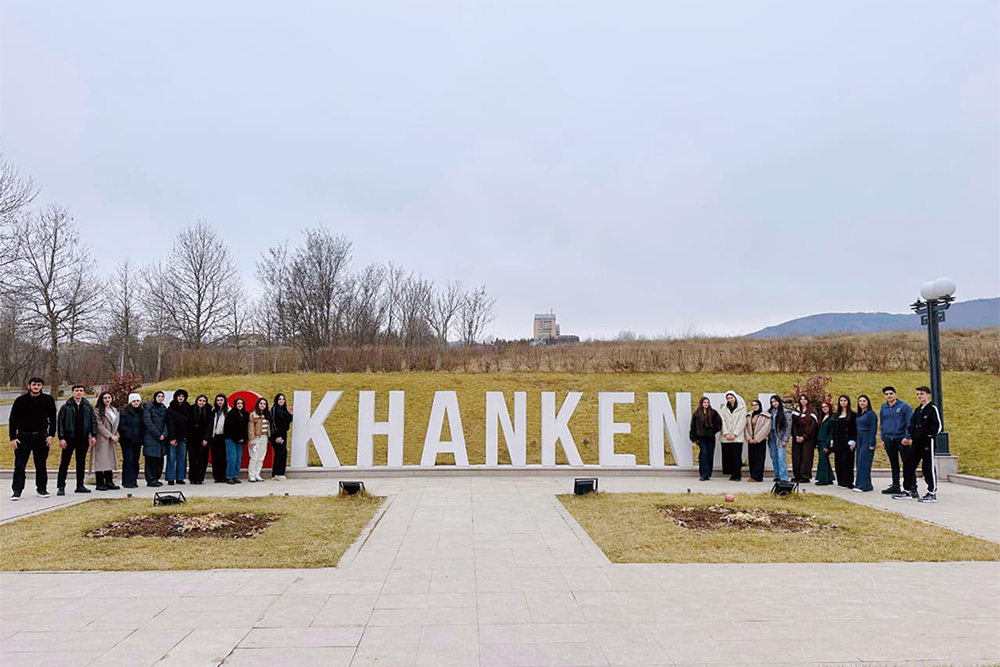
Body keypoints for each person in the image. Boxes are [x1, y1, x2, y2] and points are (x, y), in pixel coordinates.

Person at [8, 376, 56, 500]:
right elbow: (13, 419)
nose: (36, 387)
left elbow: (53, 419)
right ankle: (17, 490)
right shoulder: (20, 400)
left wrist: (51, 435)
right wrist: (13, 437)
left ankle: (42, 489)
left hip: (41, 436)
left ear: (42, 386)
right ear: (29, 386)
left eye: (38, 385)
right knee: (20, 465)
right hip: (23, 436)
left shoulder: (48, 400)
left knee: (41, 464)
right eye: (34, 384)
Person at [894, 386, 941, 503]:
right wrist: (913, 435)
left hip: (927, 443)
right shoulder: (918, 410)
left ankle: (932, 493)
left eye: (922, 394)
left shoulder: (932, 409)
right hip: (916, 443)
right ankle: (907, 490)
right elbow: (912, 424)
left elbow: (938, 426)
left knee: (928, 467)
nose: (919, 396)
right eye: (918, 394)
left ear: (928, 395)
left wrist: (927, 435)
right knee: (909, 464)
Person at [56, 385, 98, 495]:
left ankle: (80, 485)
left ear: (83, 393)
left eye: (81, 391)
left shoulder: (88, 407)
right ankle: (61, 486)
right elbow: (60, 423)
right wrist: (61, 438)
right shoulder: (66, 407)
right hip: (69, 438)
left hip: (83, 438)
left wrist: (94, 435)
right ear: (72, 392)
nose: (79, 392)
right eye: (76, 391)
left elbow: (93, 421)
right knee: (65, 462)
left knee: (81, 462)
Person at [879, 386, 913, 495]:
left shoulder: (904, 407)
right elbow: (882, 424)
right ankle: (895, 486)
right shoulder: (883, 407)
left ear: (895, 394)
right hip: (889, 439)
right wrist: (883, 439)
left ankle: (912, 487)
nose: (889, 396)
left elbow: (909, 423)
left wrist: (907, 437)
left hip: (901, 439)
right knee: (894, 464)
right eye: (886, 394)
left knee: (907, 463)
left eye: (891, 393)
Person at [92, 391, 120, 491]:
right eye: (105, 398)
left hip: (113, 437)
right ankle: (99, 483)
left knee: (110, 460)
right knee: (101, 460)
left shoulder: (114, 410)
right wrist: (110, 435)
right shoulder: (97, 411)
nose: (107, 400)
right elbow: (99, 426)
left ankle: (109, 481)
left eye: (109, 397)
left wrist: (117, 435)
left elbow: (117, 424)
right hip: (102, 438)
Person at [831, 394, 857, 489]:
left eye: (844, 400)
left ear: (848, 402)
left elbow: (854, 429)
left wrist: (853, 441)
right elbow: (834, 429)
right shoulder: (836, 415)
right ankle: (840, 481)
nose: (843, 402)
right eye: (841, 400)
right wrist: (832, 440)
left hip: (848, 442)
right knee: (838, 461)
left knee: (847, 462)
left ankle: (848, 482)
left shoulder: (853, 415)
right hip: (838, 441)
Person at [718, 392, 745, 481]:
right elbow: (722, 421)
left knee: (736, 457)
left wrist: (735, 434)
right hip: (726, 437)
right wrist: (726, 433)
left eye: (731, 397)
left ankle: (737, 475)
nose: (730, 399)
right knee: (728, 457)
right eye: (728, 398)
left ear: (735, 398)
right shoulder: (724, 409)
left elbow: (742, 422)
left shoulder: (742, 408)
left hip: (737, 437)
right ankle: (732, 474)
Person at [164, 389, 190, 485]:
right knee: (171, 457)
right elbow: (170, 424)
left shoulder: (187, 407)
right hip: (173, 437)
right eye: (179, 396)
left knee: (182, 458)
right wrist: (172, 438)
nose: (181, 398)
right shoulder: (171, 409)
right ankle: (170, 478)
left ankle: (180, 478)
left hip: (183, 437)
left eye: (183, 396)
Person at [118, 393, 144, 488]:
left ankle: (134, 480)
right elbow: (122, 426)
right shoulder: (124, 412)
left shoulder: (142, 412)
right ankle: (127, 481)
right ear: (130, 402)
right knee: (128, 460)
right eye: (134, 401)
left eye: (137, 401)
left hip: (138, 441)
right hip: (127, 441)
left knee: (135, 460)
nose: (136, 403)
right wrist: (129, 435)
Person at [791, 395, 818, 483]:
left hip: (808, 439)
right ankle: (797, 475)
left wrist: (804, 436)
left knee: (806, 457)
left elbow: (813, 426)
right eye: (801, 399)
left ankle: (805, 476)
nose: (803, 401)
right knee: (796, 456)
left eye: (805, 399)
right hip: (797, 438)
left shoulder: (812, 412)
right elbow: (793, 425)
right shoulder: (796, 412)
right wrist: (796, 435)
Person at [853, 395, 878, 492]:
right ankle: (864, 484)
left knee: (864, 462)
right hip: (859, 438)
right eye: (860, 401)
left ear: (868, 402)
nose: (862, 403)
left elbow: (873, 429)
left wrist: (872, 443)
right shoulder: (860, 414)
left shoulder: (871, 414)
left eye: (864, 401)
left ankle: (863, 486)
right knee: (859, 462)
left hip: (867, 438)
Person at [143, 391, 167, 487]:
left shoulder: (163, 408)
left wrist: (164, 434)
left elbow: (166, 422)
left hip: (161, 438)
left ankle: (156, 478)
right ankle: (151, 479)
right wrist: (157, 434)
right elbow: (147, 421)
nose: (160, 398)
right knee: (151, 460)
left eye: (162, 396)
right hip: (151, 437)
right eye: (158, 396)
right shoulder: (148, 407)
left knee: (159, 460)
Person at [223, 397, 249, 484]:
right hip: (231, 439)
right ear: (235, 404)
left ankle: (235, 476)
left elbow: (246, 428)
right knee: (232, 459)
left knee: (238, 460)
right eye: (238, 403)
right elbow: (228, 428)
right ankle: (229, 476)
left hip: (241, 440)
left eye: (241, 403)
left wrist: (244, 438)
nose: (240, 405)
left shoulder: (246, 414)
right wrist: (237, 438)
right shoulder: (231, 414)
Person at [187, 394, 212, 485]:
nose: (201, 402)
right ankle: (192, 478)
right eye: (200, 400)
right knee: (192, 458)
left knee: (202, 459)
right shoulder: (191, 409)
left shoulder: (209, 411)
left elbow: (210, 426)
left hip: (203, 438)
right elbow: (187, 424)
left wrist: (206, 438)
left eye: (204, 401)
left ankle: (200, 478)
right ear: (197, 401)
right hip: (192, 438)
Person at [744, 399, 770, 483]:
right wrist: (749, 438)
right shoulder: (748, 416)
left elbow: (766, 428)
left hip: (760, 441)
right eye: (753, 405)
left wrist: (757, 439)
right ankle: (752, 476)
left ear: (759, 406)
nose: (754, 406)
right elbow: (745, 428)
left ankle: (758, 476)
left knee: (759, 458)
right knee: (752, 458)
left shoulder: (765, 416)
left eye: (756, 405)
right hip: (751, 440)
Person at [767, 395, 792, 483]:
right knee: (774, 457)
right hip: (772, 436)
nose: (774, 403)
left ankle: (784, 477)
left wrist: (785, 439)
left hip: (780, 437)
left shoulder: (785, 412)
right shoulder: (771, 412)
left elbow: (788, 427)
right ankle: (777, 475)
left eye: (775, 401)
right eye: (772, 402)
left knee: (781, 457)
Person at [247, 397, 271, 482]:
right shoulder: (253, 415)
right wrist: (251, 440)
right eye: (261, 403)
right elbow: (250, 428)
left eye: (264, 404)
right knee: (254, 457)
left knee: (261, 457)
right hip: (256, 438)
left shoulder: (267, 415)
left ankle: (257, 474)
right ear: (258, 404)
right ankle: (251, 475)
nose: (262, 405)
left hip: (264, 438)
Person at [270, 393, 292, 480]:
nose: (281, 400)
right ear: (276, 400)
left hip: (283, 434)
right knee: (281, 452)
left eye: (283, 399)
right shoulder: (274, 409)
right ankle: (279, 473)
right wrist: (277, 435)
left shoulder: (283, 410)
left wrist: (291, 414)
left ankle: (275, 474)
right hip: (277, 435)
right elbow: (273, 423)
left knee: (281, 453)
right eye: (279, 399)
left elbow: (287, 420)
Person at [814, 401, 836, 486]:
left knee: (822, 460)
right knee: (825, 459)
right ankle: (829, 478)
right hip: (820, 441)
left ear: (829, 407)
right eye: (823, 407)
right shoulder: (822, 417)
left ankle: (822, 479)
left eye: (826, 406)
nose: (824, 408)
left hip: (825, 442)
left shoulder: (832, 418)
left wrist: (827, 445)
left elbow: (831, 433)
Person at [209, 394, 228, 483]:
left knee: (223, 457)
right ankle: (216, 477)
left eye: (221, 400)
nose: (220, 402)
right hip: (214, 436)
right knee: (215, 457)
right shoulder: (213, 411)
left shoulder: (228, 410)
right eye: (218, 400)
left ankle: (223, 476)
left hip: (223, 436)